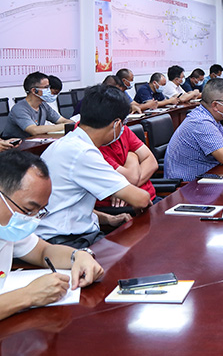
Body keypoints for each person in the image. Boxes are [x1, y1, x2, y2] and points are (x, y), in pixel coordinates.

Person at [37, 85, 152, 248]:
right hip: (66, 242)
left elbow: (68, 204)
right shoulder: (82, 152)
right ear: (116, 124)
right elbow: (141, 199)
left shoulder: (68, 143)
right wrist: (132, 156)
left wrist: (108, 219)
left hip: (67, 234)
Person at [0, 151, 105, 321]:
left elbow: (43, 252)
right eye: (28, 210)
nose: (32, 219)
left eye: (39, 211)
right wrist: (28, 295)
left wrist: (78, 256)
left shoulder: (6, 226)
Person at [97, 78, 158, 207]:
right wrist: (134, 157)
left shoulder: (122, 130)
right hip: (124, 210)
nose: (124, 125)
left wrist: (126, 190)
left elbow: (152, 162)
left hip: (150, 198)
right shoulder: (91, 143)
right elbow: (131, 177)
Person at [4, 72, 73, 139]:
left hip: (36, 142)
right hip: (16, 145)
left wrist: (73, 123)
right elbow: (34, 130)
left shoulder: (43, 105)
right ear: (34, 91)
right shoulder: (19, 109)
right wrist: (65, 126)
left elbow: (61, 120)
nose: (49, 91)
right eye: (46, 87)